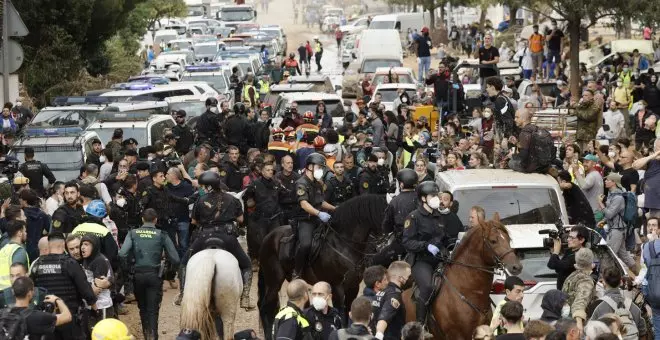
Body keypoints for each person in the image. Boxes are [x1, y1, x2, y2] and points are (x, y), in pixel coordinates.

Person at [183, 171, 253, 308]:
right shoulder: (232, 199)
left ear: (208, 187)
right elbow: (241, 219)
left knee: (184, 263)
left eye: (204, 186)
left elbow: (193, 221)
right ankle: (245, 297)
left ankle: (182, 294)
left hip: (204, 237)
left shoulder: (200, 200)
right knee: (246, 264)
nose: (202, 189)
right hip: (227, 237)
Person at [118, 208, 180, 340]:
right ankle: (153, 336)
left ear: (142, 219)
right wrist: (169, 272)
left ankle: (147, 335)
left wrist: (128, 269)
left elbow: (122, 253)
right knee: (153, 309)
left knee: (143, 308)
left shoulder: (133, 233)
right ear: (156, 220)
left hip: (137, 275)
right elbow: (175, 258)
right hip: (154, 275)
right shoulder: (162, 234)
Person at [30, 232, 97, 340]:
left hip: (48, 320)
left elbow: (32, 291)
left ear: (49, 245)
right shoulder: (70, 263)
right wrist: (95, 309)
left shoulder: (37, 265)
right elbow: (86, 290)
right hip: (70, 318)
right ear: (63, 245)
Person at [402, 181, 450, 325]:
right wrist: (425, 246)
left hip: (439, 258)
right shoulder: (414, 217)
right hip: (421, 260)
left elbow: (444, 238)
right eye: (432, 195)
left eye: (437, 195)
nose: (436, 198)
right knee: (427, 287)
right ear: (423, 198)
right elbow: (407, 242)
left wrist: (453, 244)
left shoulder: (439, 216)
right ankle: (420, 324)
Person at [292, 153, 335, 279]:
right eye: (319, 167)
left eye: (322, 168)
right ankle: (297, 271)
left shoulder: (317, 183)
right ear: (309, 167)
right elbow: (304, 204)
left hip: (318, 218)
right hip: (305, 220)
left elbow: (321, 202)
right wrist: (319, 213)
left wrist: (335, 208)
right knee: (305, 244)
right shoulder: (301, 183)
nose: (321, 170)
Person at [372, 169, 418, 267]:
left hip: (403, 244)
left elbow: (386, 227)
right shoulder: (422, 198)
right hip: (422, 241)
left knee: (375, 260)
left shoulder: (395, 201)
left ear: (401, 185)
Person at [588, 267, 646, 338]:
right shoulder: (634, 308)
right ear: (621, 282)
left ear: (603, 283)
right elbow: (643, 333)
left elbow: (589, 334)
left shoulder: (597, 307)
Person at [598, 172, 637, 272]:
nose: (605, 181)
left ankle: (611, 278)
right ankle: (639, 275)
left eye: (608, 180)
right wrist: (603, 221)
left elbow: (610, 213)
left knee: (609, 255)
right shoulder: (612, 195)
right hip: (616, 229)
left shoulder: (618, 198)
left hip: (617, 230)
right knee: (624, 256)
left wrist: (600, 204)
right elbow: (612, 214)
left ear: (614, 182)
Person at [373, 261, 410, 340]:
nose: (409, 279)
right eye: (408, 276)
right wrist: (379, 335)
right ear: (401, 278)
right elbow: (384, 317)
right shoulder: (394, 294)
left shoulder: (382, 291)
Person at [562, 247, 595, 332]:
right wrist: (579, 325)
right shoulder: (586, 280)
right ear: (591, 262)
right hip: (577, 324)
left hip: (566, 321)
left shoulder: (572, 276)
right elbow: (580, 302)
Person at [547, 225, 589, 290]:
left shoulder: (581, 255)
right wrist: (553, 251)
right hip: (563, 293)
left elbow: (552, 265)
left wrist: (556, 251)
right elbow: (559, 268)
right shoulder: (570, 251)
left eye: (572, 238)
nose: (568, 239)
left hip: (571, 296)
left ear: (581, 240)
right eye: (568, 237)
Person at [0, 220, 29, 289]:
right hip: (12, 291)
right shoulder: (19, 251)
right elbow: (17, 274)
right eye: (24, 231)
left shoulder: (3, 250)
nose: (26, 233)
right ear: (19, 233)